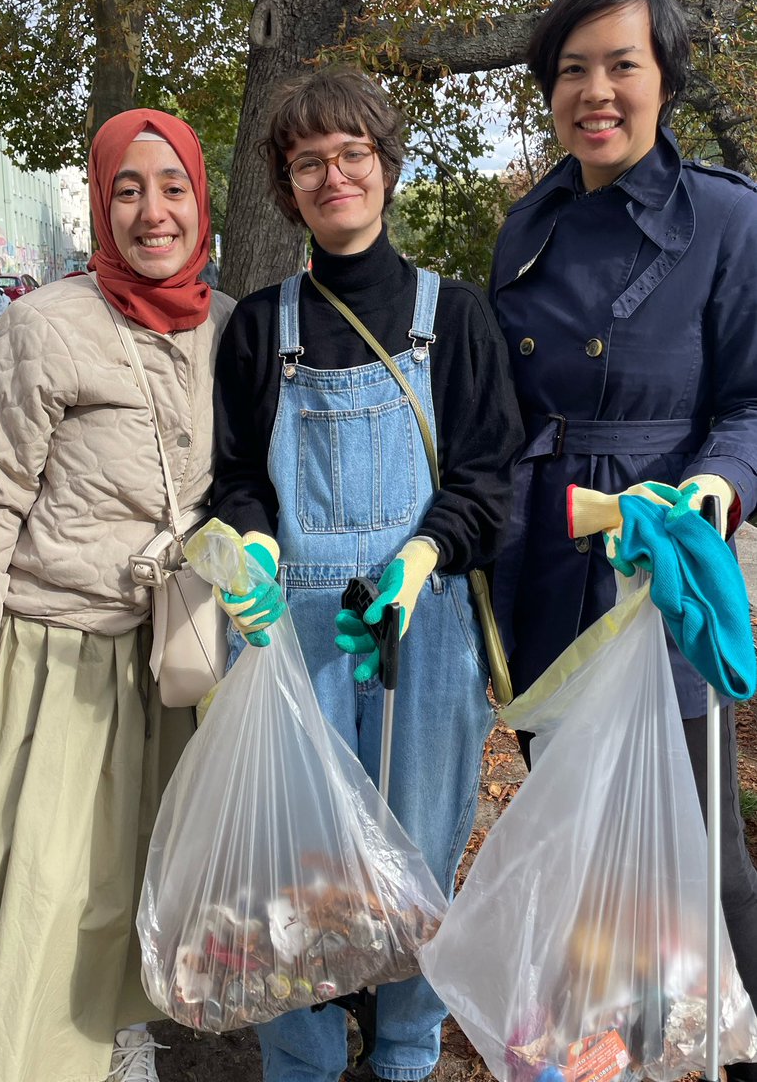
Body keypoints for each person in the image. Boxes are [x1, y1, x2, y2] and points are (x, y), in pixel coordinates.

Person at [211, 66, 523, 1082]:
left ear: (385, 168)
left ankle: (403, 1049)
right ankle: (299, 1057)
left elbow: (488, 477)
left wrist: (424, 553)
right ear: (287, 184)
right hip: (292, 628)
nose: (333, 174)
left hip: (421, 622)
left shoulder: (459, 318)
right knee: (291, 856)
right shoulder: (261, 327)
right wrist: (255, 545)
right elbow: (234, 478)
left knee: (420, 848)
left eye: (352, 154)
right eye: (309, 161)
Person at [489, 0, 757, 1080]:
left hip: (660, 572)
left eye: (621, 64)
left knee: (701, 844)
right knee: (579, 831)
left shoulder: (729, 219)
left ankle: (731, 1046)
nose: (594, 91)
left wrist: (714, 485)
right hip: (544, 566)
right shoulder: (528, 226)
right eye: (570, 70)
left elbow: (752, 399)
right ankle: (615, 1043)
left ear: (665, 77)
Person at [0, 108, 235, 1082]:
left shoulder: (226, 326)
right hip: (62, 654)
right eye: (127, 188)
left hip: (177, 657)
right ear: (100, 201)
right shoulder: (45, 323)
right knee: (51, 885)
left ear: (200, 200)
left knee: (142, 874)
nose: (152, 210)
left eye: (172, 186)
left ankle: (120, 1038)